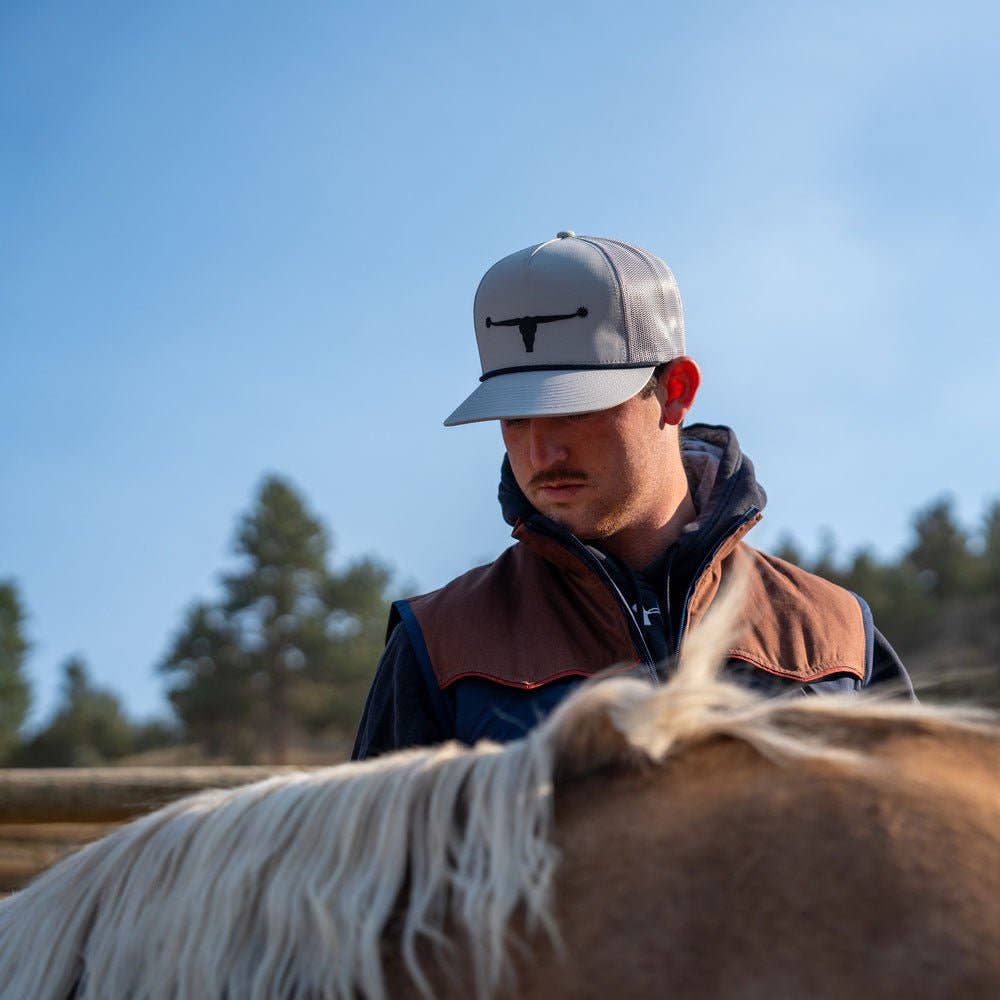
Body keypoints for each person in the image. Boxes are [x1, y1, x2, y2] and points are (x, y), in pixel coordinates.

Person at [352, 232, 912, 759]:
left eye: (575, 409)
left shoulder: (834, 638)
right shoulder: (437, 647)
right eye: (515, 418)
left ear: (675, 392)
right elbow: (377, 864)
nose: (541, 454)